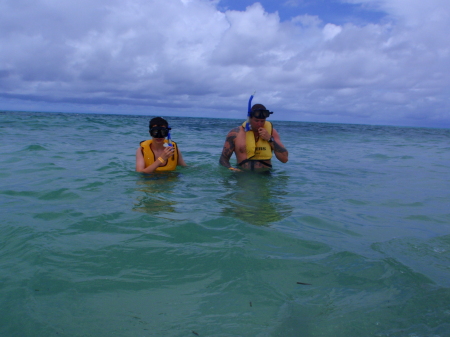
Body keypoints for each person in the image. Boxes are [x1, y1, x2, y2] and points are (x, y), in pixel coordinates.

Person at [219, 103, 288, 172]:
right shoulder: (235, 133)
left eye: (262, 121)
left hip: (265, 176)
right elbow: (223, 160)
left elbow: (284, 159)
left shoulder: (272, 132)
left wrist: (270, 139)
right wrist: (232, 169)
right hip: (242, 175)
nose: (259, 124)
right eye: (256, 121)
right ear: (249, 118)